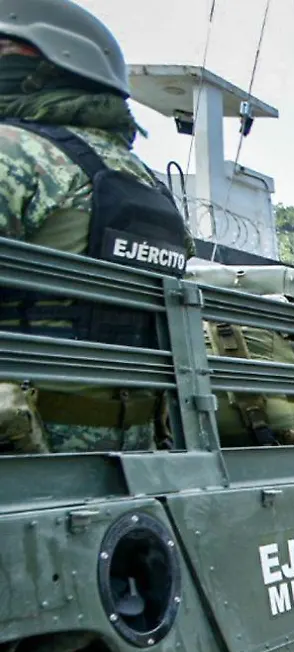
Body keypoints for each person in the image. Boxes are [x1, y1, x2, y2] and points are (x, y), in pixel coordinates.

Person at [0, 0, 190, 454]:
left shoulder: (14, 153)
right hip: (128, 448)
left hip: (24, 450)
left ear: (44, 64)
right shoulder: (141, 176)